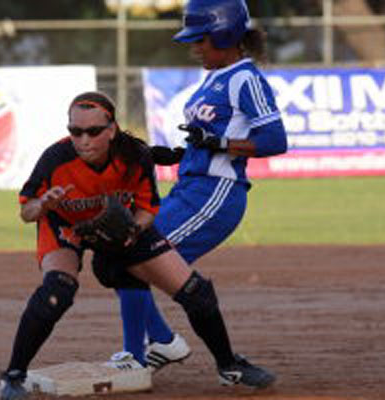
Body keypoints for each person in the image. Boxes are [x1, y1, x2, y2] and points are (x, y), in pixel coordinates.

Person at [0, 91, 276, 400]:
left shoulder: (135, 156)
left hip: (121, 226)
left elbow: (147, 208)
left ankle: (228, 366)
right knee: (57, 291)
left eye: (93, 131)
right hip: (66, 226)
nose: (83, 140)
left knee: (197, 292)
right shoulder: (55, 159)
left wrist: (133, 231)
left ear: (112, 129)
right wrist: (43, 205)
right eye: (75, 131)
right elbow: (26, 211)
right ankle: (13, 376)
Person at [96, 0, 288, 377]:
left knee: (133, 257)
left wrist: (217, 145)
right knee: (121, 254)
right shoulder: (216, 76)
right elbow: (213, 135)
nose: (195, 47)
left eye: (201, 39)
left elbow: (275, 139)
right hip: (190, 189)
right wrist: (177, 154)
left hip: (216, 194)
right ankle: (154, 346)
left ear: (225, 34)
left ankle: (151, 353)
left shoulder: (245, 78)